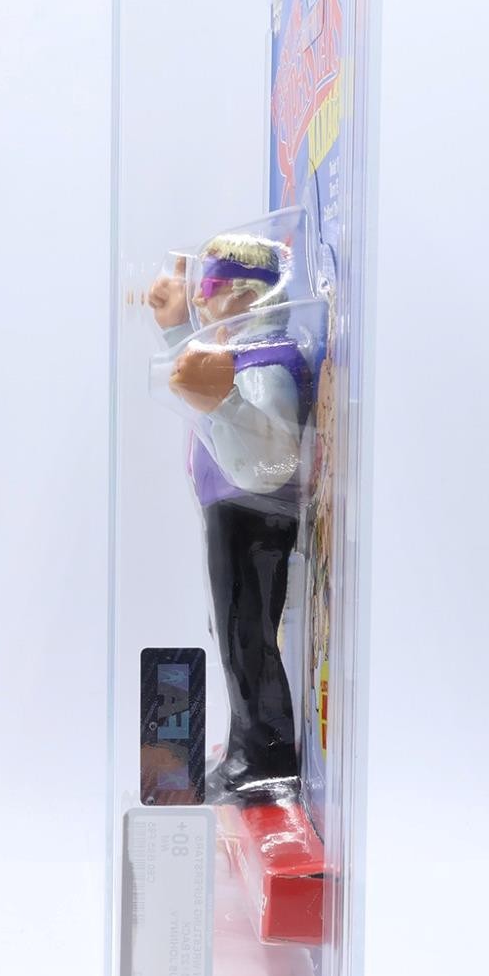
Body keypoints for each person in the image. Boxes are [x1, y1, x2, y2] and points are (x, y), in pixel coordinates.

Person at [148, 232, 315, 804]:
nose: (201, 298)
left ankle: (266, 755)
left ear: (248, 295)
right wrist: (177, 333)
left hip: (254, 516)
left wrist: (226, 401)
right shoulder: (240, 356)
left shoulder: (266, 364)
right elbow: (200, 391)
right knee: (237, 633)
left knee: (248, 635)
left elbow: (272, 461)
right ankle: (249, 746)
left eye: (211, 286)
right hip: (233, 511)